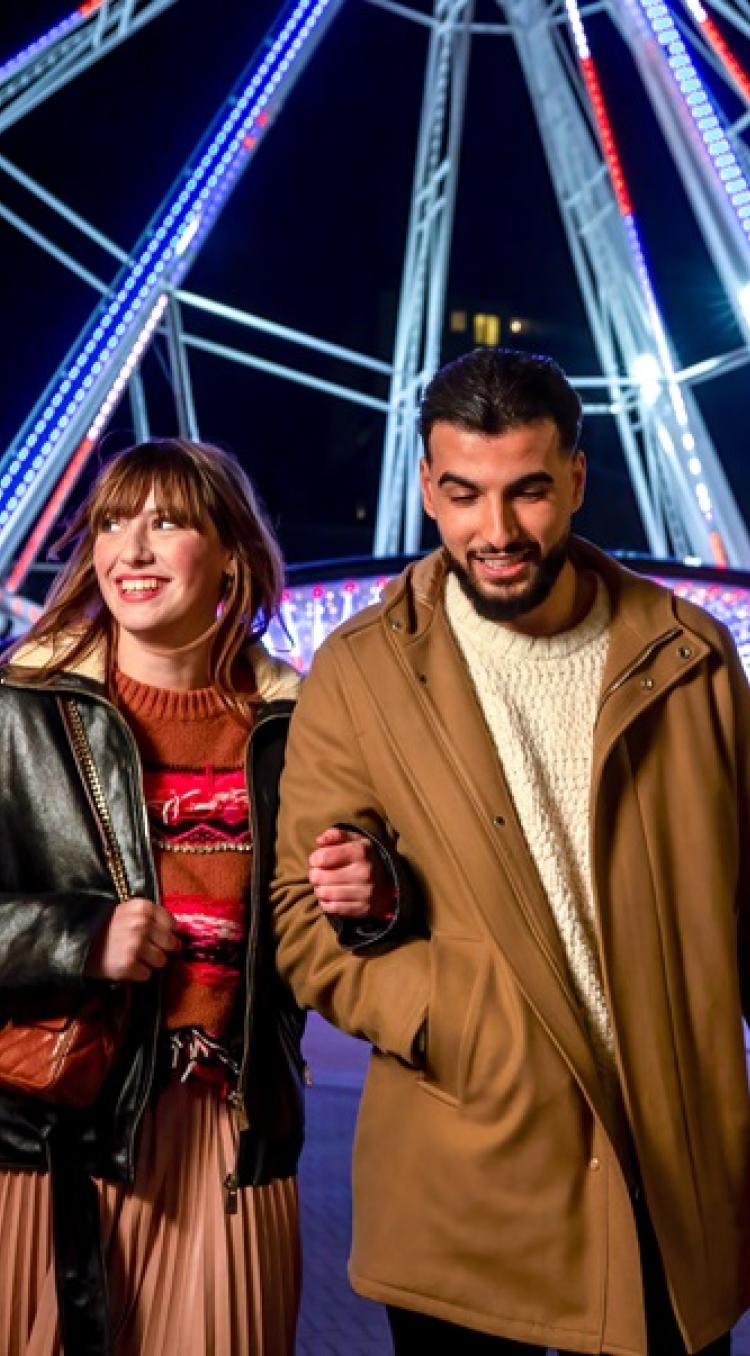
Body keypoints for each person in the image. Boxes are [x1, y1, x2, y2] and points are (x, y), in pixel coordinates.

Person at [271, 348, 750, 1356]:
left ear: (576, 478)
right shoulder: (358, 674)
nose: (496, 531)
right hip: (467, 1173)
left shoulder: (693, 659)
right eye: (464, 495)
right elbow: (301, 917)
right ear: (426, 490)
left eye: (529, 491)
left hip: (669, 1179)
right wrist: (456, 1021)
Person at [0, 437, 387, 1356]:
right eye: (111, 523)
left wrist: (376, 894)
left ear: (233, 554)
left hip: (232, 1133)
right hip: (58, 1131)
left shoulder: (304, 727)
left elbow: (338, 942)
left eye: (166, 522)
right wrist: (79, 937)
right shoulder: (18, 710)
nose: (130, 549)